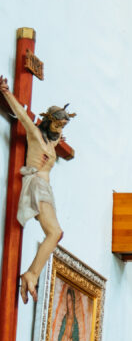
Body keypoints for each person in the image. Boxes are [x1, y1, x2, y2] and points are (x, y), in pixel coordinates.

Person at [0, 75, 74, 303]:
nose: (60, 130)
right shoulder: (35, 136)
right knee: (54, 232)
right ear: (47, 121)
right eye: (56, 125)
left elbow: (61, 143)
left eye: (62, 127)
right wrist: (5, 92)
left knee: (56, 234)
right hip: (36, 185)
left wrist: (60, 137)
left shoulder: (53, 143)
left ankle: (32, 273)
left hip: (45, 189)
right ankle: (31, 274)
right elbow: (21, 115)